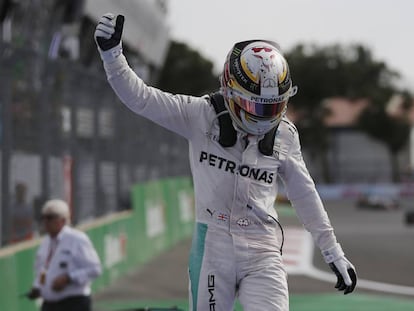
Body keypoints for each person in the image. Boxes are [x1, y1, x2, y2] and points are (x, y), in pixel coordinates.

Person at [94, 14, 357, 311]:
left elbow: (304, 194)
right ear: (230, 91)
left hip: (263, 248)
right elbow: (141, 98)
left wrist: (332, 251)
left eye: (274, 105)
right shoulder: (199, 115)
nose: (265, 114)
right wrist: (112, 55)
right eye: (256, 104)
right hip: (212, 246)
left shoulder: (285, 134)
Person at [27, 199, 102, 311]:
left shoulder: (77, 239)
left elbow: (95, 269)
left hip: (73, 303)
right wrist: (39, 287)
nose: (45, 222)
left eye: (50, 217)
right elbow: (43, 270)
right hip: (49, 304)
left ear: (62, 220)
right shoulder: (46, 242)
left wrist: (68, 278)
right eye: (44, 218)